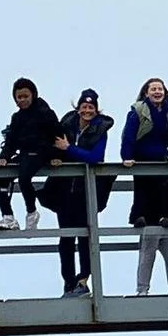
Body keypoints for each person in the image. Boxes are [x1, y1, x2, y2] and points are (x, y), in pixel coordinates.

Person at [41, 90, 115, 297]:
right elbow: (53, 145)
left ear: (96, 110)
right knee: (65, 238)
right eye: (84, 106)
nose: (87, 110)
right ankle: (68, 284)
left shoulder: (101, 129)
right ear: (78, 107)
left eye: (91, 107)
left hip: (87, 192)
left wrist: (69, 149)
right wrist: (56, 156)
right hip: (64, 190)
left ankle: (83, 280)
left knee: (85, 237)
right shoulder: (66, 124)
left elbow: (95, 158)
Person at [120, 78, 168, 296]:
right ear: (146, 93)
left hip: (163, 161)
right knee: (149, 241)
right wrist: (127, 157)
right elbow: (128, 134)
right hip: (143, 161)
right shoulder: (138, 110)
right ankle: (142, 290)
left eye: (160, 88)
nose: (157, 92)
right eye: (153, 89)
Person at [0, 78, 61, 231]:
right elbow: (11, 141)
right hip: (24, 154)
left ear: (33, 95)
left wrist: (57, 156)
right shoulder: (16, 118)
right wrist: (3, 157)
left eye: (26, 96)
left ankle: (32, 212)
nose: (22, 100)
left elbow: (58, 135)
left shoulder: (46, 113)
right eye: (19, 97)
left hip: (42, 153)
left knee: (24, 178)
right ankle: (8, 217)